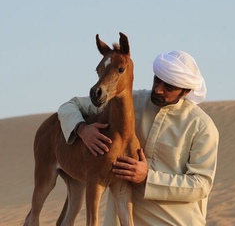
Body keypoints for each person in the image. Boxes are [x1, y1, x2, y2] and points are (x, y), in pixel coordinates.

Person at [58, 50, 219, 226]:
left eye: (168, 87)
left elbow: (201, 184)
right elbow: (71, 106)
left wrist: (147, 177)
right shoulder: (129, 102)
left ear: (186, 91)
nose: (158, 89)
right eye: (157, 80)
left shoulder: (202, 127)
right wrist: (81, 129)